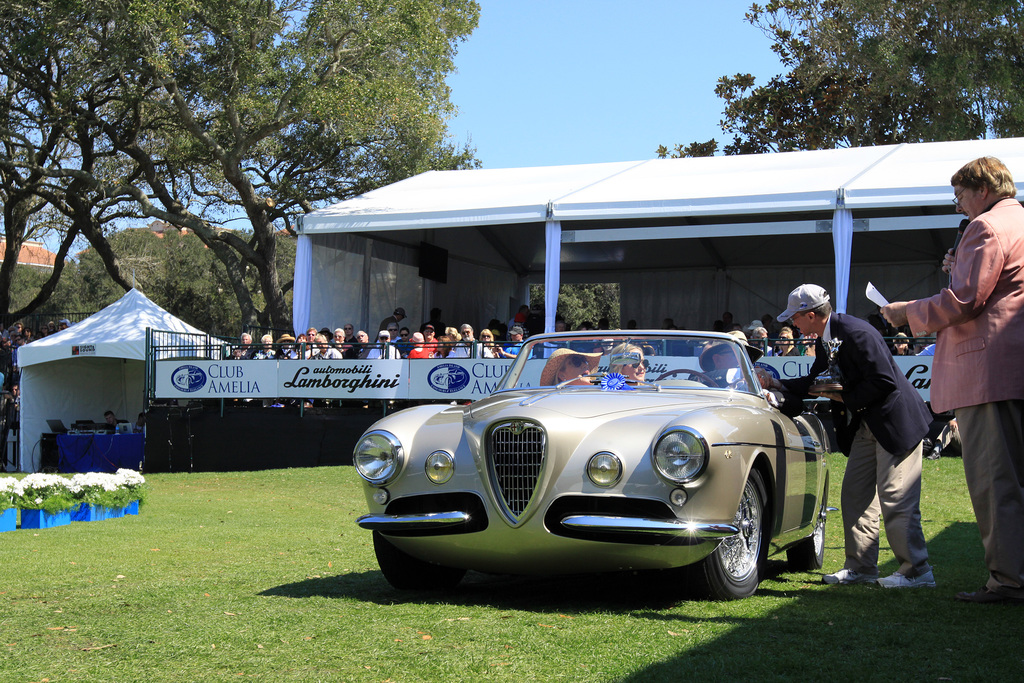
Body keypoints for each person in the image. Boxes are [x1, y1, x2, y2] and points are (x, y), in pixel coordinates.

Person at [882, 156, 1024, 604]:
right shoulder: (1015, 222)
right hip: (1013, 369)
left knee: (995, 481)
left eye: (960, 196)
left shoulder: (985, 228)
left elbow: (965, 301)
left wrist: (907, 313)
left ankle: (1008, 581)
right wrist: (960, 261)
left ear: (981, 189)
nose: (959, 206)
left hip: (989, 374)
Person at [765, 284, 934, 588]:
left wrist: (846, 399)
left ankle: (917, 571)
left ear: (812, 315)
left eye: (796, 318)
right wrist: (779, 385)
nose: (793, 325)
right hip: (869, 423)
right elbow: (816, 379)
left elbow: (884, 381)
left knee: (897, 498)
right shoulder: (827, 338)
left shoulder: (857, 333)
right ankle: (861, 567)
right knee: (854, 496)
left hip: (895, 423)